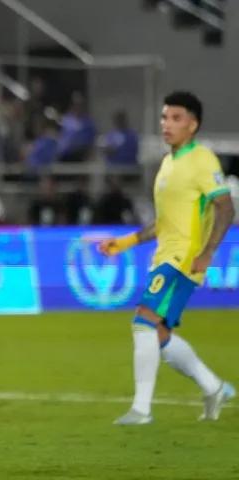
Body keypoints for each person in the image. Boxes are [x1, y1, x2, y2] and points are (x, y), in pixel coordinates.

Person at [98, 91, 235, 425]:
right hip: (167, 254)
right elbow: (164, 222)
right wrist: (126, 242)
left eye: (176, 118)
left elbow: (226, 208)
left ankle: (142, 410)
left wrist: (206, 255)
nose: (167, 124)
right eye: (164, 117)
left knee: (142, 322)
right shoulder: (168, 164)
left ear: (193, 124)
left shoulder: (202, 160)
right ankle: (213, 386)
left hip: (182, 258)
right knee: (158, 333)